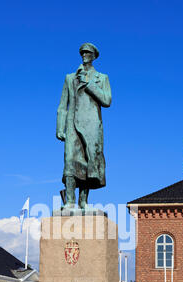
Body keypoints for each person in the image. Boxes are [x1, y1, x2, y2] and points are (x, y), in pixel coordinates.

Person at [56, 43, 112, 210]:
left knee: (89, 161)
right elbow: (62, 105)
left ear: (94, 56)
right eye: (83, 52)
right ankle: (69, 201)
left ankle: (83, 201)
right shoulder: (70, 78)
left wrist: (88, 84)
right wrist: (60, 127)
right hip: (72, 124)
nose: (85, 55)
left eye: (88, 52)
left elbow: (107, 100)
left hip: (92, 126)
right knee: (70, 161)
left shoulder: (101, 78)